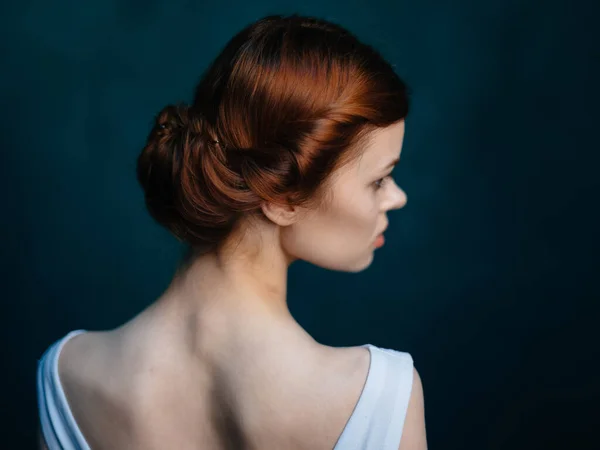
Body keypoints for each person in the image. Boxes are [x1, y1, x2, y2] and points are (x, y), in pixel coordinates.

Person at [37, 13, 427, 450]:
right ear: (281, 199)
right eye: (378, 180)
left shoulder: (65, 377)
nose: (397, 197)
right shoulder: (376, 399)